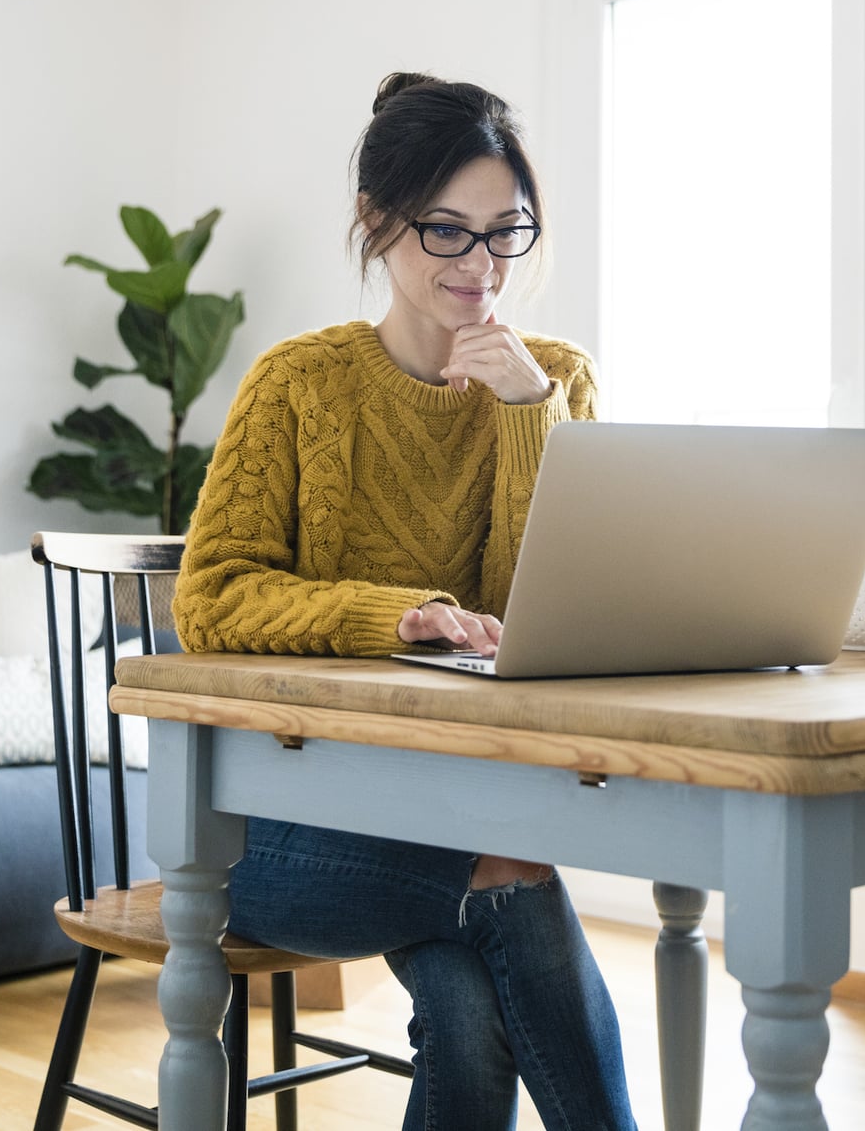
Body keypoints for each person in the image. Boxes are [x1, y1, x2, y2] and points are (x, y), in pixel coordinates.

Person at [172, 72, 635, 1130]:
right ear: (377, 226)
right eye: (446, 232)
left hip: (463, 802)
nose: (481, 267)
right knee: (516, 872)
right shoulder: (299, 384)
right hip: (284, 828)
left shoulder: (553, 379)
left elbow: (556, 611)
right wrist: (394, 614)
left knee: (470, 1015)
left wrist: (526, 414)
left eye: (504, 233)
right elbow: (212, 595)